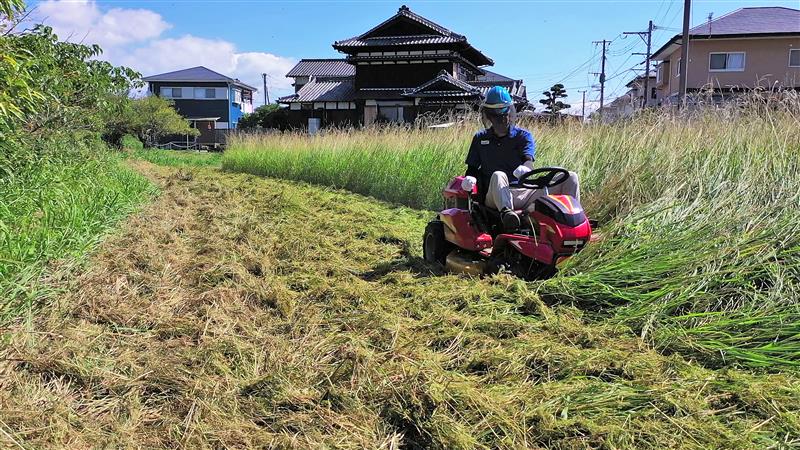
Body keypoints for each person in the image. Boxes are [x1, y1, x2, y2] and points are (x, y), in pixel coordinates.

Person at [462, 86, 580, 231]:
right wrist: (469, 179)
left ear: (510, 112)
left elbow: (528, 160)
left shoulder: (523, 136)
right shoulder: (480, 138)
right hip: (495, 195)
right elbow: (472, 168)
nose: (501, 119)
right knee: (499, 175)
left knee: (571, 177)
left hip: (526, 191)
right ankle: (508, 217)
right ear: (489, 116)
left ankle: (573, 220)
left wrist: (526, 169)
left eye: (504, 114)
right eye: (496, 115)